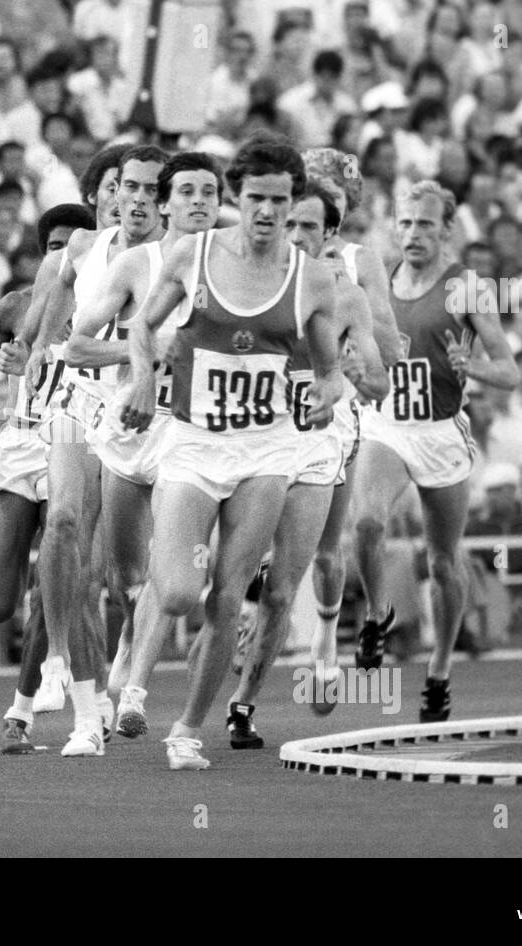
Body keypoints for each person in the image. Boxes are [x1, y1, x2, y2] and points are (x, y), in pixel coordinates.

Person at [118, 136, 347, 771]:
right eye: (255, 199)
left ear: (293, 201)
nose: (268, 212)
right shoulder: (193, 256)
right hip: (194, 446)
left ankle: (187, 730)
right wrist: (142, 377)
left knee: (228, 593)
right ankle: (133, 684)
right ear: (236, 198)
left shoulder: (310, 280)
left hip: (267, 450)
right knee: (179, 592)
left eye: (280, 200)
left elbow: (329, 370)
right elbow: (141, 325)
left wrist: (328, 395)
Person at [4, 143, 168, 758]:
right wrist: (39, 353)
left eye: (154, 191)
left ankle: (121, 664)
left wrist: (143, 359)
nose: (138, 200)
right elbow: (54, 313)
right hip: (77, 404)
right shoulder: (81, 248)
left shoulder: (174, 259)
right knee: (63, 525)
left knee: (118, 577)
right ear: (108, 193)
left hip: (134, 411)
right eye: (129, 188)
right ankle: (68, 689)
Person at [220, 177, 390, 744]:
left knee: (316, 559)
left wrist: (356, 374)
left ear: (331, 235)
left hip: (324, 431)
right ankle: (236, 621)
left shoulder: (343, 292)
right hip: (255, 428)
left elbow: (378, 373)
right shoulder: (244, 277)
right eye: (289, 222)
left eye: (309, 226)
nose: (295, 233)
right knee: (233, 564)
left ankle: (317, 643)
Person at [62, 151, 223, 736]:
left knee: (171, 576)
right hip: (130, 429)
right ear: (165, 204)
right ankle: (130, 641)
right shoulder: (137, 264)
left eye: (210, 192)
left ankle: (134, 690)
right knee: (124, 573)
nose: (198, 203)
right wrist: (147, 355)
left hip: (193, 435)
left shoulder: (233, 264)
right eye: (184, 193)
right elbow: (77, 348)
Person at [350, 180, 519, 722]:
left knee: (445, 562)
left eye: (425, 224)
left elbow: (510, 372)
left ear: (447, 230)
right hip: (389, 426)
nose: (413, 233)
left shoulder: (465, 288)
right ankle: (378, 616)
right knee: (368, 523)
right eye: (405, 223)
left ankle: (440, 670)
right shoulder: (377, 281)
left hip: (443, 432)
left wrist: (473, 368)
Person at [0, 202, 95, 754]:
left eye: (74, 244)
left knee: (53, 578)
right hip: (17, 444)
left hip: (74, 442)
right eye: (55, 245)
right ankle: (43, 676)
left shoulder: (105, 306)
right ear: (44, 252)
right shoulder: (17, 306)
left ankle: (22, 709)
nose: (65, 253)